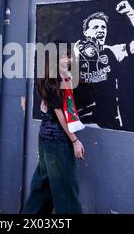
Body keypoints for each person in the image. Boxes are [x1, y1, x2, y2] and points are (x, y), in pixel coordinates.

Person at [23, 43, 84, 214]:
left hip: (47, 138)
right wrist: (75, 140)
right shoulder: (55, 80)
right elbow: (60, 113)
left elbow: (50, 107)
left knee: (43, 188)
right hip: (57, 140)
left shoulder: (53, 77)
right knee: (66, 191)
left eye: (70, 56)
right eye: (64, 56)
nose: (69, 60)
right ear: (55, 59)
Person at [74, 0, 134, 129]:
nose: (101, 30)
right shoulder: (74, 53)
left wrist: (130, 12)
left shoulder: (112, 51)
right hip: (85, 120)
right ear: (86, 33)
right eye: (95, 27)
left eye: (103, 27)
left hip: (111, 120)